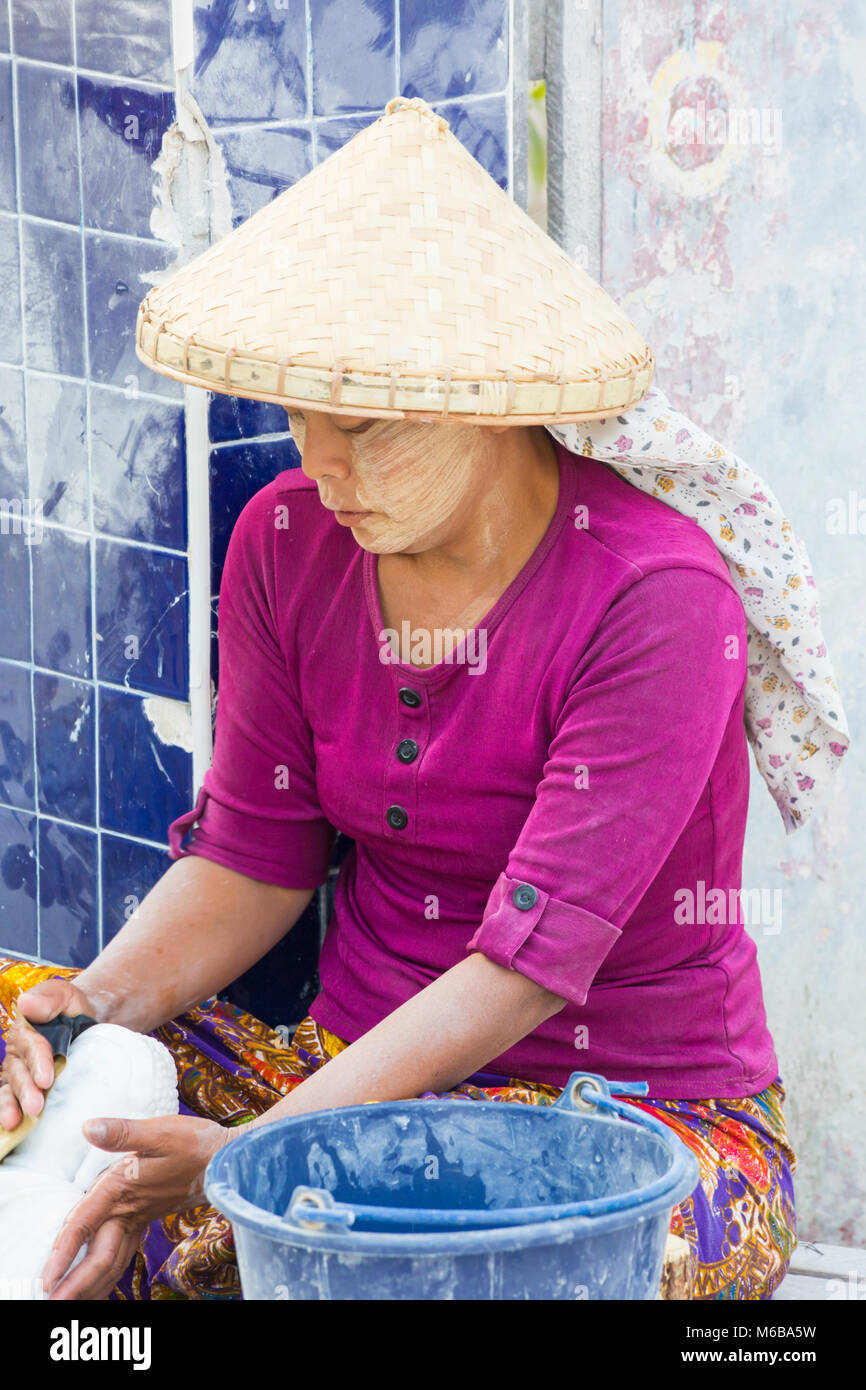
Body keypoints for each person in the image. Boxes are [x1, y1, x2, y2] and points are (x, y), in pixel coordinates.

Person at [0, 97, 798, 1301]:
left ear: (490, 399)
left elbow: (525, 965)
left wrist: (256, 1168)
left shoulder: (656, 598)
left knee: (427, 1265)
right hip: (341, 1073)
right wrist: (76, 1017)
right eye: (297, 417)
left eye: (365, 425)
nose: (320, 467)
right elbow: (253, 859)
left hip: (617, 1127)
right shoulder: (284, 539)